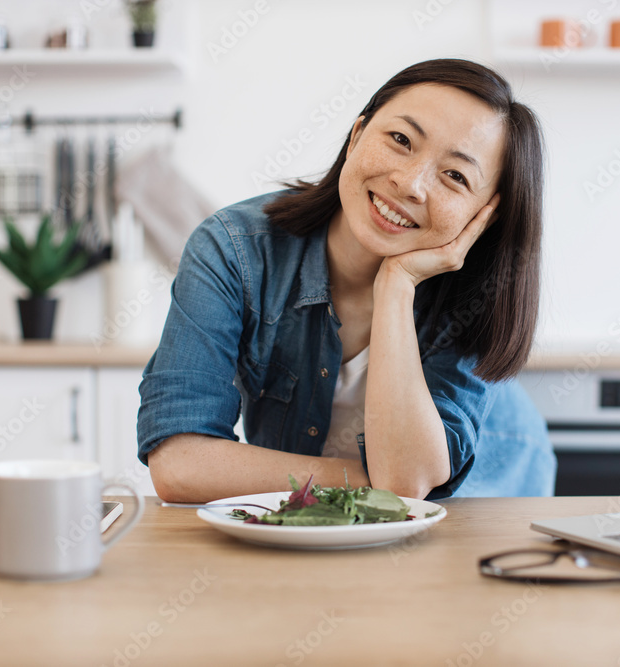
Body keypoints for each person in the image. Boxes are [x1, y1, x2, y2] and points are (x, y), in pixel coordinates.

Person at [137, 58, 556, 502]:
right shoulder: (235, 250)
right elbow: (180, 465)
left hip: (488, 495)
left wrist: (396, 285)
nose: (410, 184)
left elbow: (413, 483)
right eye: (400, 139)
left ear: (484, 217)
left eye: (455, 175)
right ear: (357, 136)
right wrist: (375, 482)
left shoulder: (480, 293)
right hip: (319, 509)